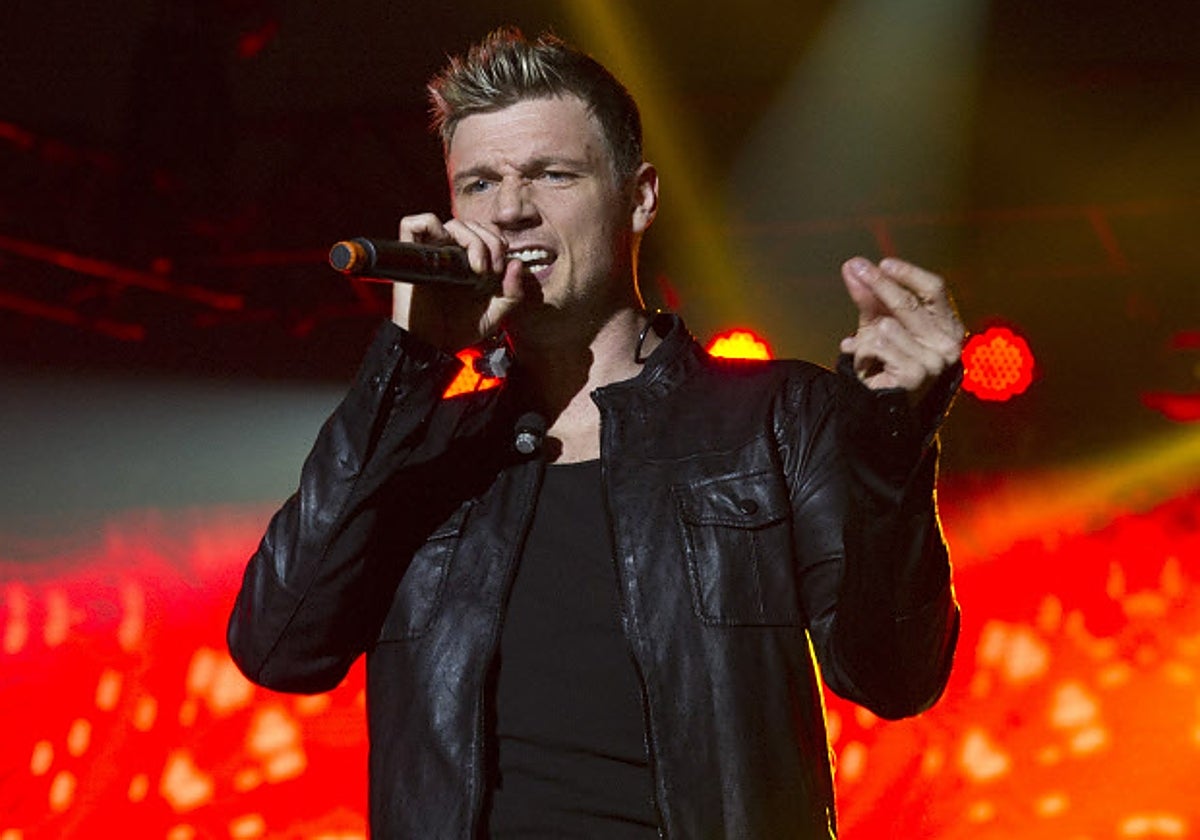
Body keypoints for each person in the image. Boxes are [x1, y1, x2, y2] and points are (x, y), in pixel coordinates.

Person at [227, 26, 964, 839]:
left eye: (552, 174)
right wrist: (411, 360)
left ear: (639, 197)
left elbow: (895, 676)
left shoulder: (776, 416)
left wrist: (893, 443)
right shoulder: (425, 448)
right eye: (479, 182)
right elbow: (279, 646)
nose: (511, 209)